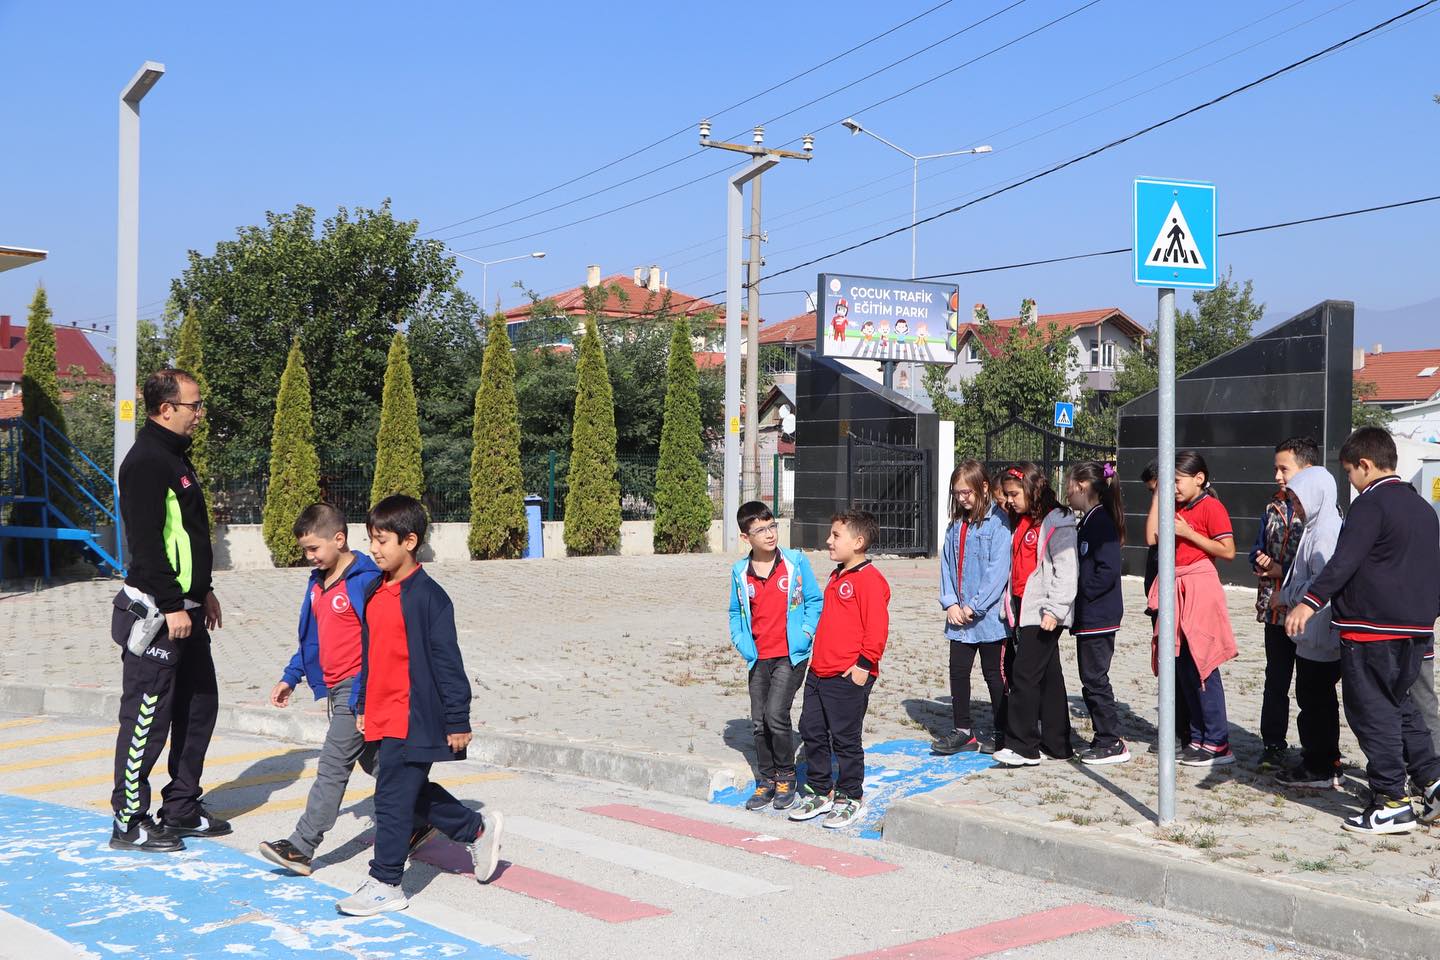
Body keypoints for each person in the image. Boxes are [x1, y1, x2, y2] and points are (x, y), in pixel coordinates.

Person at [337, 495, 504, 916]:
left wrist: (457, 718)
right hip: (379, 710)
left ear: (409, 541)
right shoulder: (376, 589)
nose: (373, 549)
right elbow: (371, 653)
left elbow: (448, 661)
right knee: (403, 792)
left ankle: (386, 881)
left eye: (382, 541)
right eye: (371, 539)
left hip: (414, 715)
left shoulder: (430, 597)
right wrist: (360, 702)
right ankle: (474, 829)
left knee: (391, 798)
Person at [259, 503, 433, 874]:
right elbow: (313, 639)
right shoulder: (317, 582)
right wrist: (292, 675)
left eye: (313, 549)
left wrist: (360, 700)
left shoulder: (364, 580)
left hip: (358, 689)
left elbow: (376, 642)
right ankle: (425, 817)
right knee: (383, 767)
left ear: (339, 539)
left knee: (333, 765)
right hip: (337, 688)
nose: (309, 557)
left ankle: (302, 846)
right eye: (305, 550)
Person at [1287, 428, 1440, 834]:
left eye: (1350, 472)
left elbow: (1344, 561)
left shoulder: (1370, 505)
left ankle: (1391, 801)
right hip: (1415, 629)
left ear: (1366, 465)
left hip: (1371, 629)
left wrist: (1309, 602)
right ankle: (1433, 781)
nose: (1350, 481)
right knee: (1401, 707)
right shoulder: (1422, 508)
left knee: (1372, 712)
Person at [108, 369, 224, 853]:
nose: (200, 414)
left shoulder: (175, 456)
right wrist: (175, 603)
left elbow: (188, 535)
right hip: (158, 616)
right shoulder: (147, 462)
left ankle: (180, 808)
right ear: (165, 409)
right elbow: (146, 543)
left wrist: (206, 590)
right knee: (147, 718)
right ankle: (129, 821)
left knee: (200, 706)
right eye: (194, 405)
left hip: (189, 610)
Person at [789, 510, 890, 829]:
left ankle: (850, 796)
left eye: (835, 536)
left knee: (845, 739)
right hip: (819, 673)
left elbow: (876, 628)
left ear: (858, 542)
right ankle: (820, 790)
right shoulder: (837, 575)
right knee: (811, 730)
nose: (828, 541)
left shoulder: (870, 581)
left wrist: (864, 665)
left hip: (849, 675)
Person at [728, 501, 823, 812]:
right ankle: (766, 779)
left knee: (776, 716)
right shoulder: (740, 572)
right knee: (759, 722)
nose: (769, 534)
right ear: (746, 538)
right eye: (760, 530)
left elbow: (813, 600)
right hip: (758, 657)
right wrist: (742, 642)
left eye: (772, 526)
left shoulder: (795, 563)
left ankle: (786, 776)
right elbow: (734, 612)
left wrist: (807, 632)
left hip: (790, 656)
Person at [1147, 451, 1237, 768]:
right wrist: (1160, 494)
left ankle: (1218, 741)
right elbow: (1151, 537)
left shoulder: (1211, 506)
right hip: (1176, 588)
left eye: (1177, 480)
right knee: (1183, 664)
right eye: (1169, 481)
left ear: (1198, 478)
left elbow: (1227, 550)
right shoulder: (1176, 506)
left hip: (1199, 587)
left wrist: (1190, 534)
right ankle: (1198, 736)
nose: (1173, 486)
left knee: (1203, 663)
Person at [993, 463, 1078, 767]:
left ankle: (1022, 745)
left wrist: (1056, 609)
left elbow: (1066, 569)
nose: (1010, 500)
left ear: (1031, 489)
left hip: (1043, 610)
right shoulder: (1021, 520)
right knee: (1048, 677)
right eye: (1007, 495)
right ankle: (1058, 743)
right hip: (1023, 606)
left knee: (1024, 675)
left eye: (1014, 493)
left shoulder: (1058, 520)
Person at [1271, 467, 1344, 790]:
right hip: (1313, 632)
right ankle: (1321, 758)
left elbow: (1323, 581)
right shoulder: (1315, 526)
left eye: (1300, 501)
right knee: (1314, 698)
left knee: (1315, 699)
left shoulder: (1326, 530)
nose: (1296, 508)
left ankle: (1321, 764)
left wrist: (1287, 595)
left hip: (1320, 630)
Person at [933, 460, 1011, 756]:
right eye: (957, 493)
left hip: (988, 618)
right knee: (958, 671)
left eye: (967, 492)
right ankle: (963, 730)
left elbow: (997, 570)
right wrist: (950, 602)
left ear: (984, 488)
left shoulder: (999, 523)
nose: (963, 498)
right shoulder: (955, 526)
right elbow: (947, 566)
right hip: (959, 619)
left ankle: (1002, 729)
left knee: (994, 673)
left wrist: (974, 607)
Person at [1250, 437, 1317, 770]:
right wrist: (1260, 561)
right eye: (1275, 468)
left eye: (1283, 468)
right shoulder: (1271, 506)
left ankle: (1314, 750)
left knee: (1309, 685)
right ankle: (1272, 744)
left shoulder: (1321, 511)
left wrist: (1284, 570)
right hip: (1275, 609)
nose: (1277, 475)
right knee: (1275, 680)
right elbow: (1255, 547)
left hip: (1308, 614)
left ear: (1306, 469)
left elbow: (1324, 564)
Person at [1067, 461, 1128, 766]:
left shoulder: (1100, 520)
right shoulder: (1089, 519)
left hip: (1098, 615)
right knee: (1091, 677)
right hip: (1090, 615)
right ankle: (1104, 736)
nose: (1067, 492)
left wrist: (1080, 594)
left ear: (1082, 486)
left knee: (1095, 679)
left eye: (1069, 486)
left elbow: (1107, 570)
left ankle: (1111, 740)